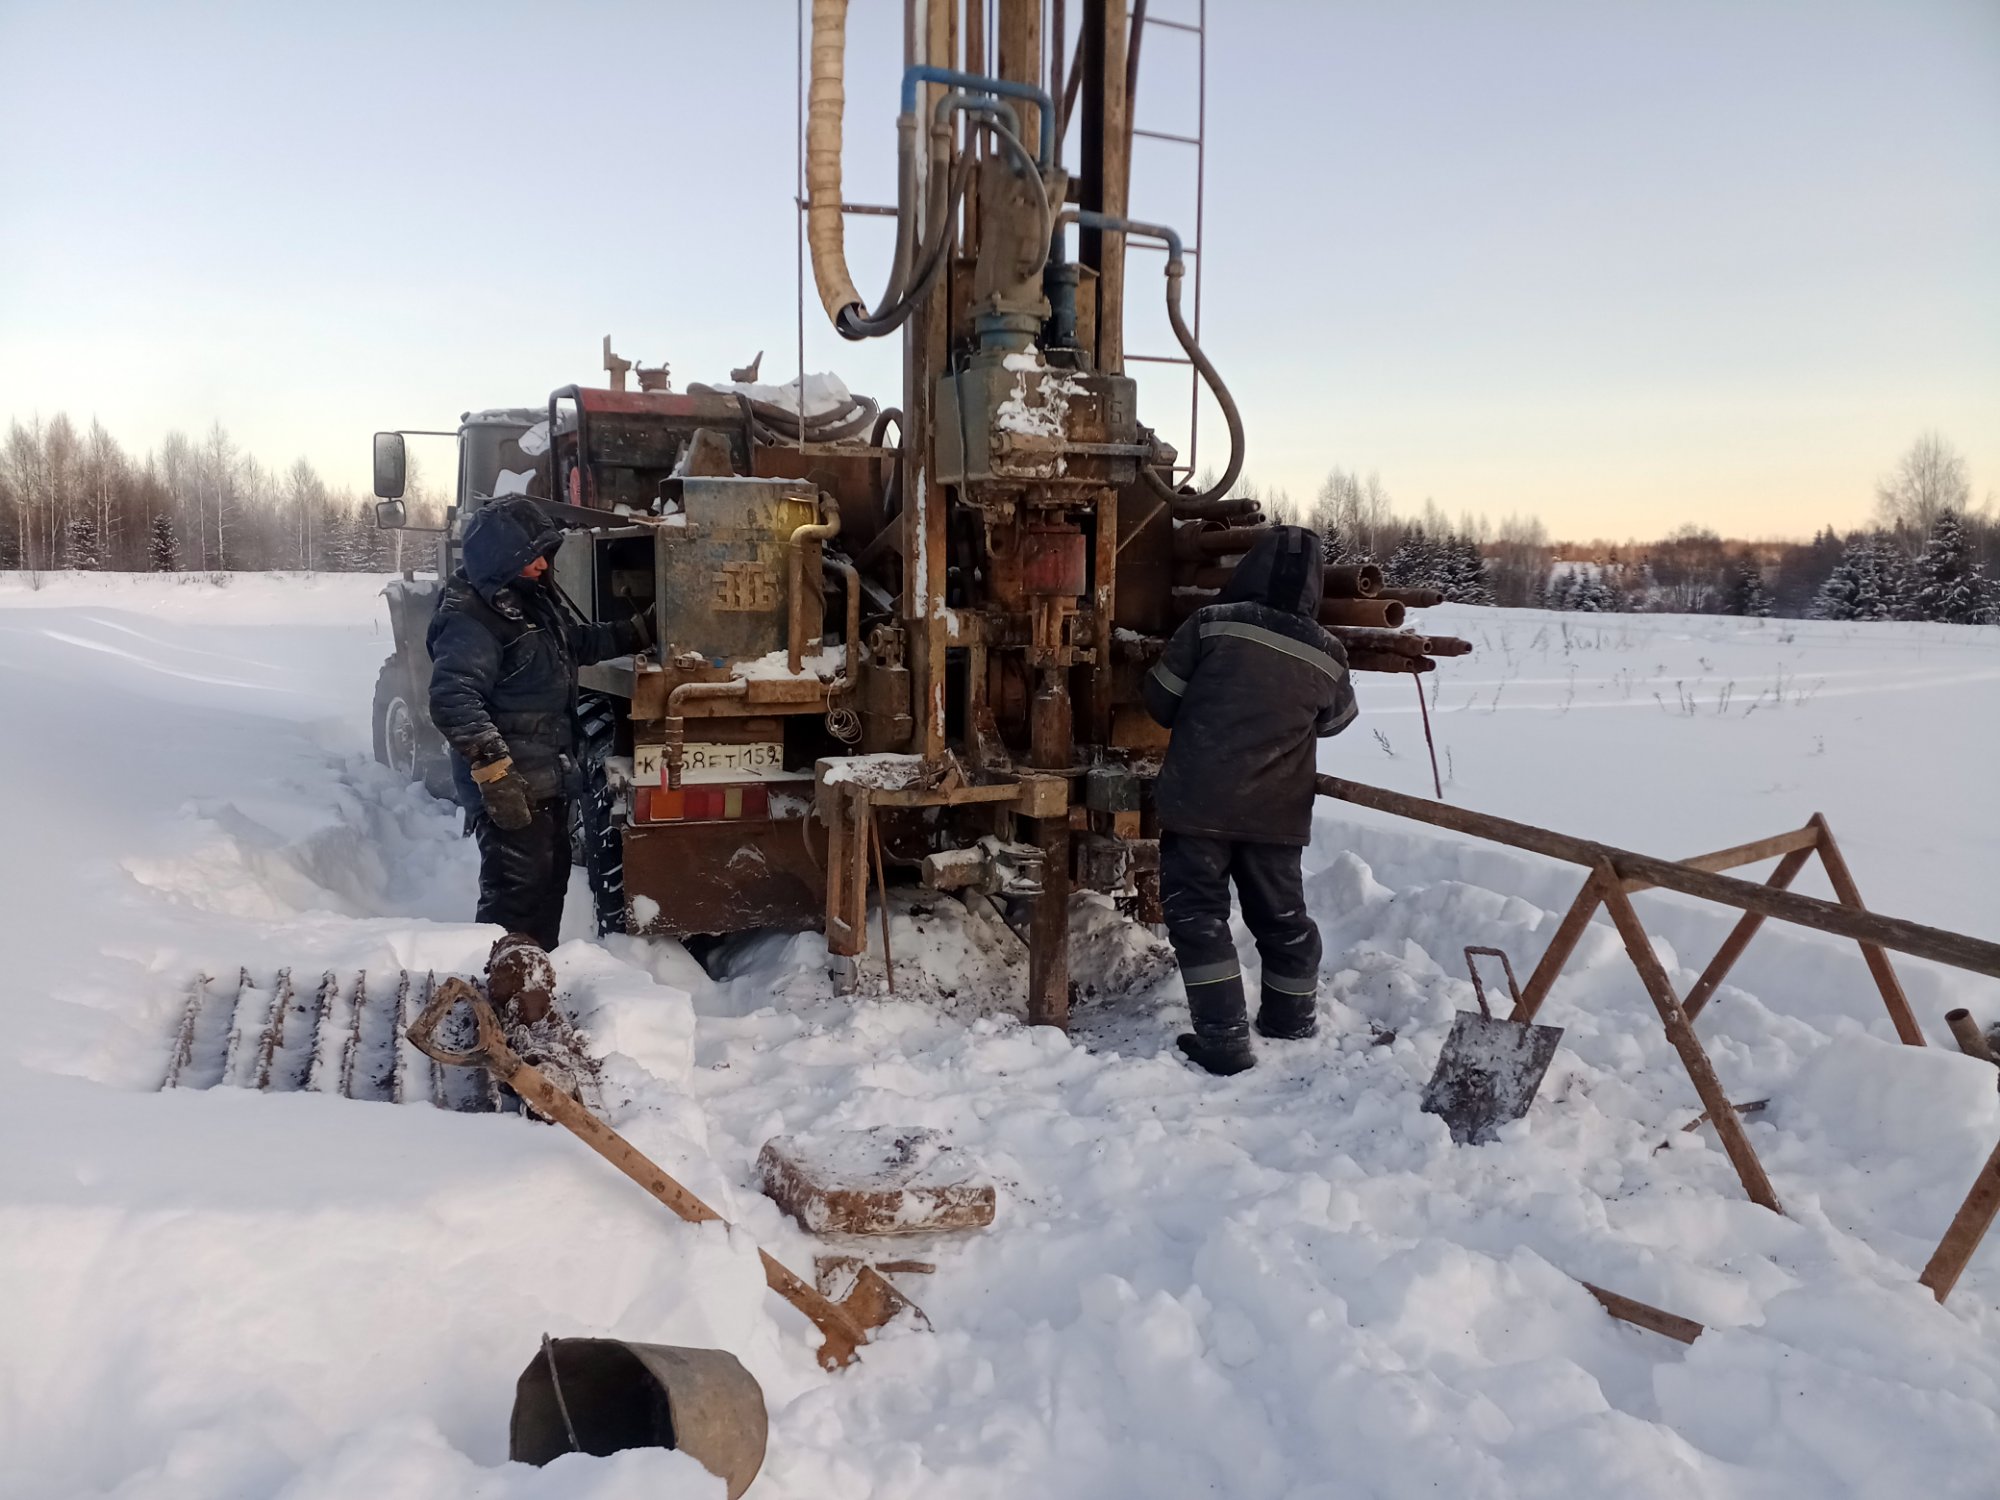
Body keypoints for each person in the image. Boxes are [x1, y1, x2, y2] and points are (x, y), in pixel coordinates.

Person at [1142, 524, 1357, 1075]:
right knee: (1283, 918)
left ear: (1250, 567)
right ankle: (1290, 1021)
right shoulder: (1329, 652)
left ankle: (1224, 1040)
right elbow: (1336, 722)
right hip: (1276, 814)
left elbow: (1159, 701)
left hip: (1199, 805)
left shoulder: (1211, 622)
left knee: (1199, 916)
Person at [426, 496, 653, 961]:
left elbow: (573, 643)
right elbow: (453, 699)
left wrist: (634, 631)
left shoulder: (527, 600)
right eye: (533, 555)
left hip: (547, 782)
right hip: (511, 789)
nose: (544, 564)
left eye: (546, 553)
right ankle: (498, 986)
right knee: (513, 903)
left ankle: (535, 981)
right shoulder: (471, 617)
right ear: (500, 556)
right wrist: (495, 774)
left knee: (548, 892)